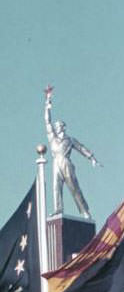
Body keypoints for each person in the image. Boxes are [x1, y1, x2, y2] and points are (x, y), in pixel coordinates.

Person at [44, 88, 99, 218]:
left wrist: (92, 158)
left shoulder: (70, 140)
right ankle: (58, 209)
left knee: (74, 188)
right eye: (55, 126)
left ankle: (85, 211)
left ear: (63, 127)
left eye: (58, 126)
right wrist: (47, 106)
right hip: (56, 163)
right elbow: (47, 122)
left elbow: (81, 148)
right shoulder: (53, 138)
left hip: (66, 163)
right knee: (56, 187)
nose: (56, 128)